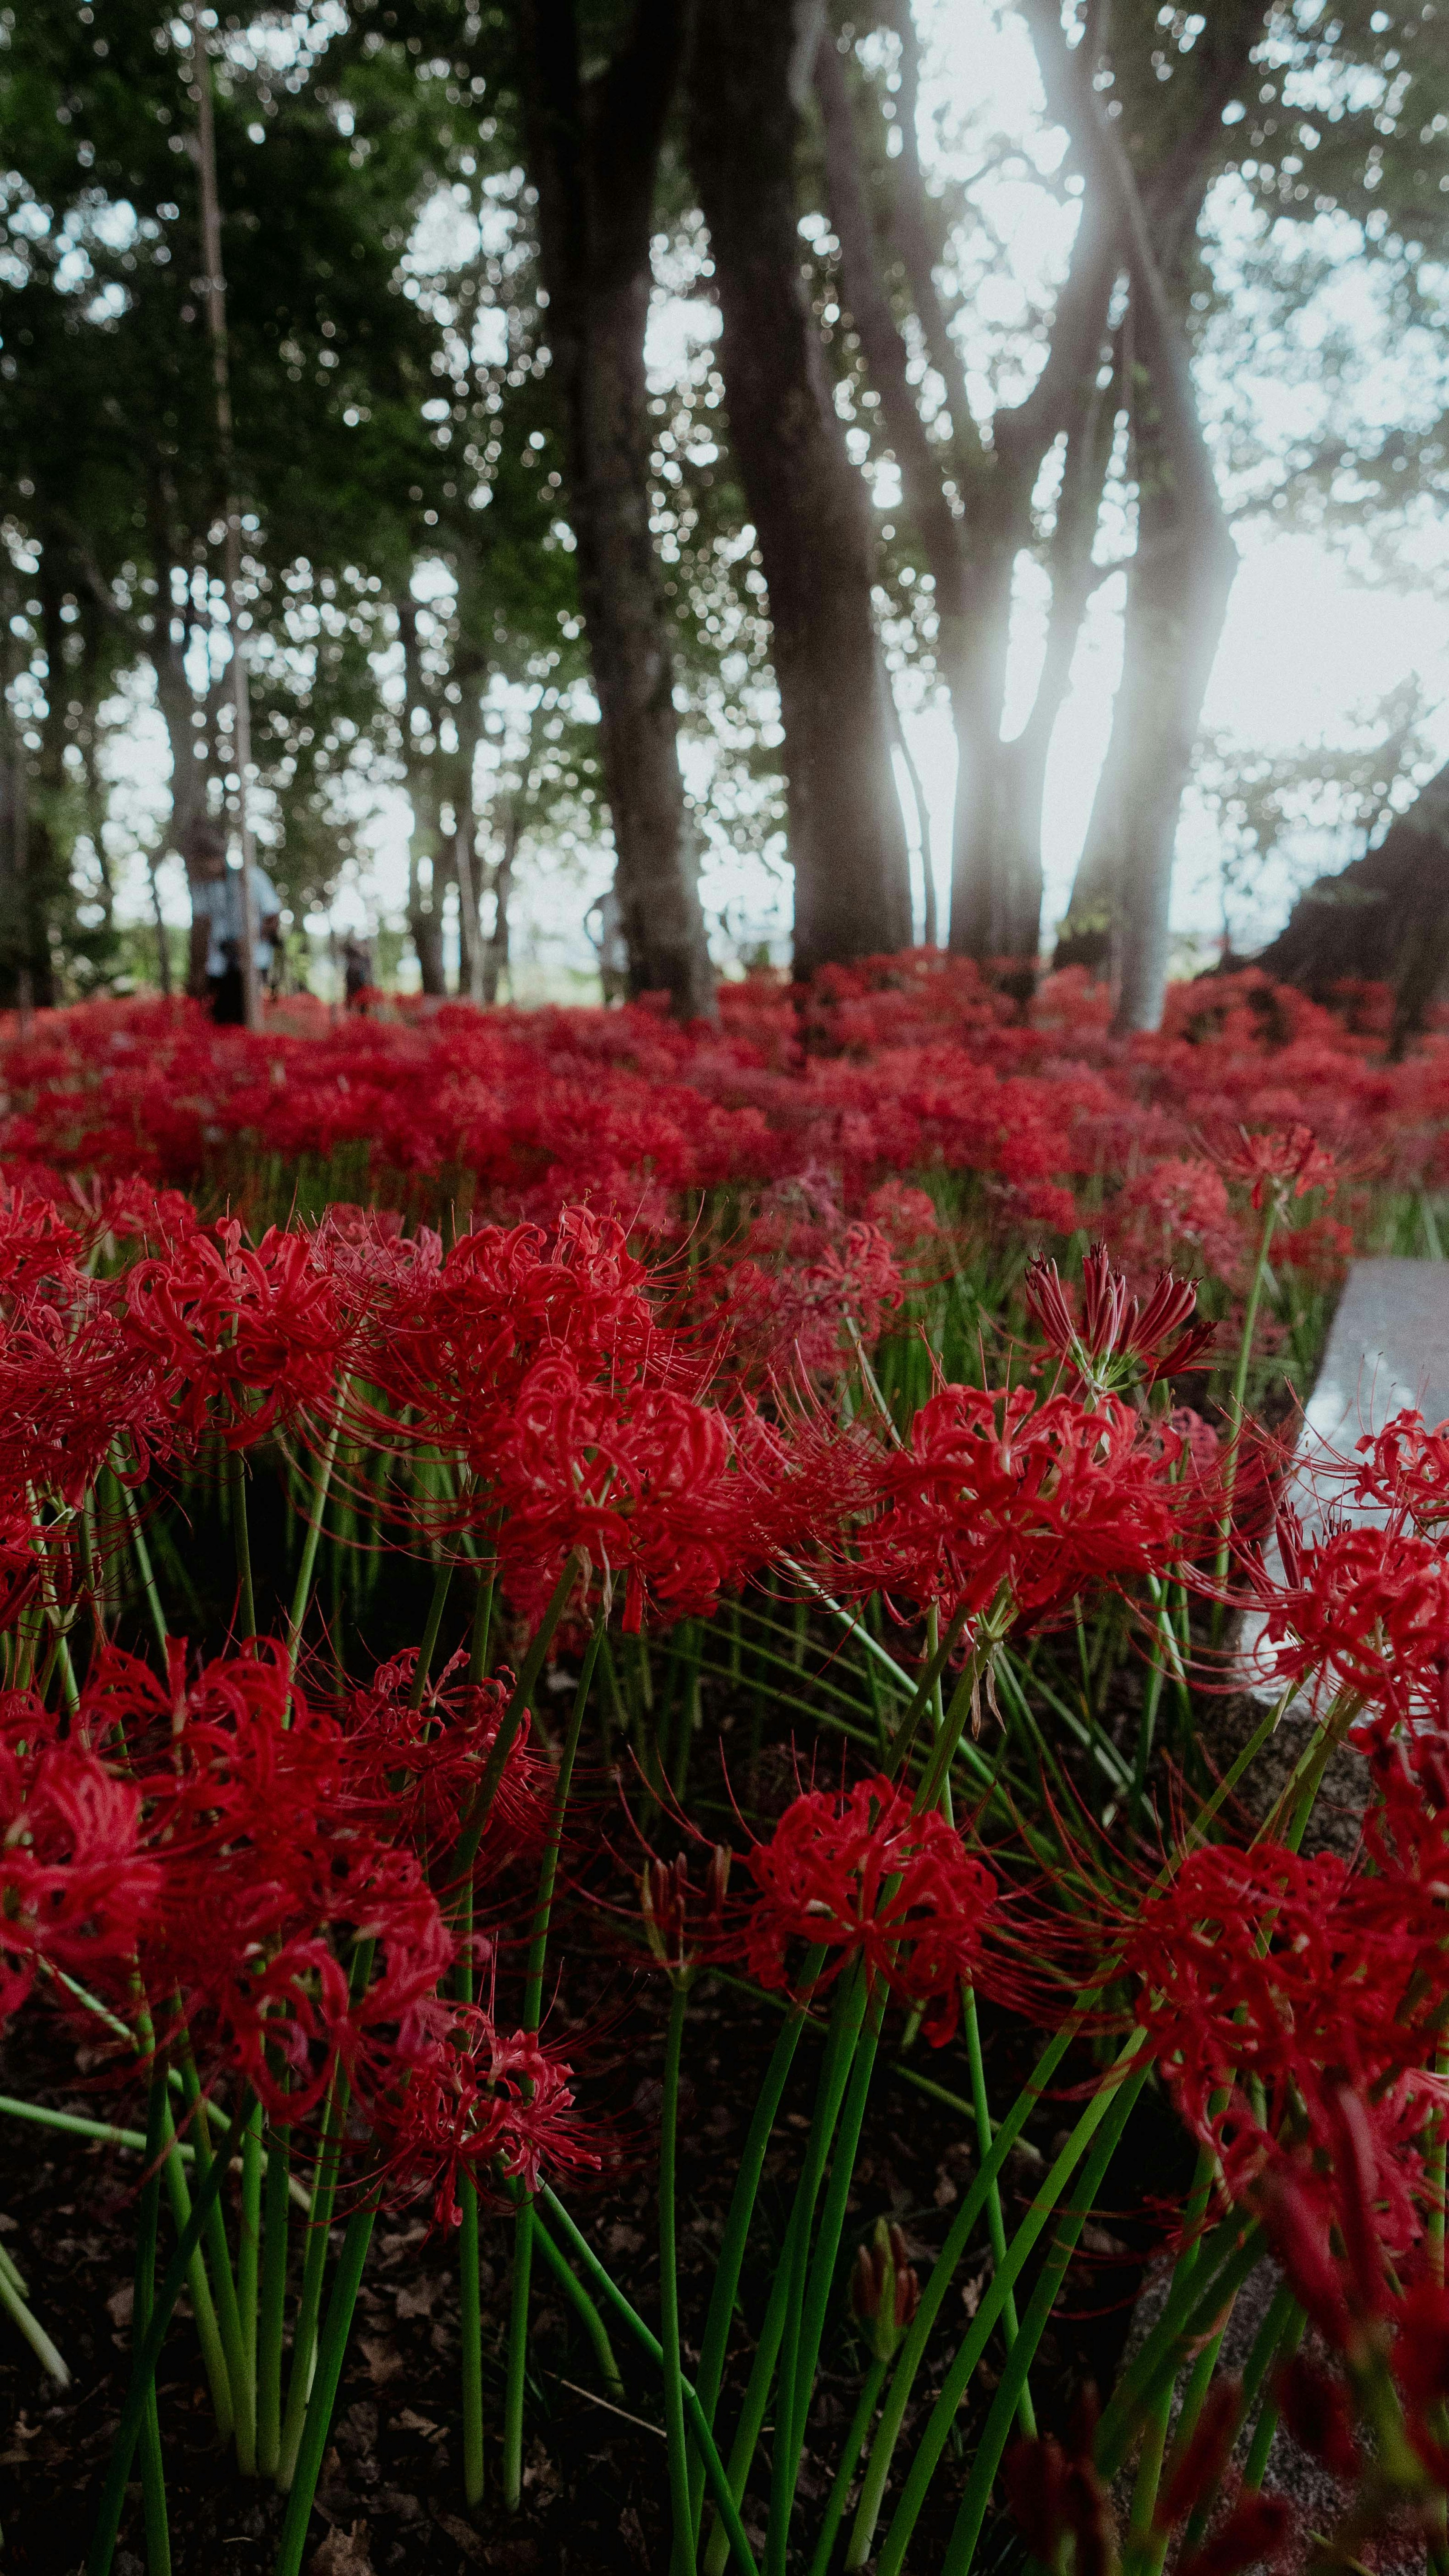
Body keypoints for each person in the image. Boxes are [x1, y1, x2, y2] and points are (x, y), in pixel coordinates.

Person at [186, 822, 282, 1025]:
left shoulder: (252, 877)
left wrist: (248, 942)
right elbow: (202, 925)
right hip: (219, 963)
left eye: (206, 861)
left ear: (218, 858)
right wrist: (198, 968)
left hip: (253, 959)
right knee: (219, 1019)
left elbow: (273, 916)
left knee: (244, 1017)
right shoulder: (202, 887)